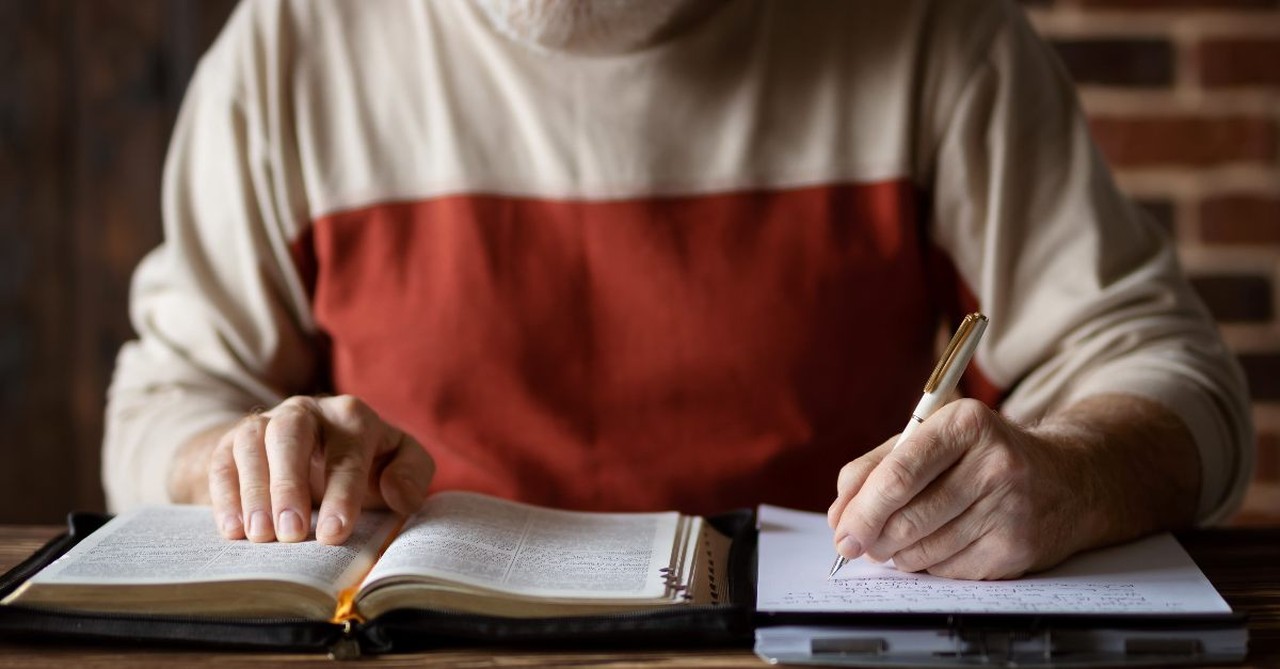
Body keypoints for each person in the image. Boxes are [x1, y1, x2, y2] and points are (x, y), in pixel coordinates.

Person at [103, 0, 1253, 580]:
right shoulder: (292, 43)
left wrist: (1073, 475)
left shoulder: (932, 28)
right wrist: (240, 461)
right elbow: (160, 404)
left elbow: (1168, 373)